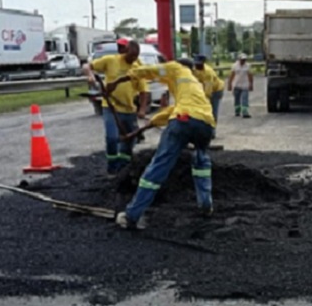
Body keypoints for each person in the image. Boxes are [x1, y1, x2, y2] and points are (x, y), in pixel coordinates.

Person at [105, 59, 216, 230]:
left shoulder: (177, 68)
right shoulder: (194, 86)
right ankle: (206, 205)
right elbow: (170, 113)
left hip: (183, 121)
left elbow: (148, 71)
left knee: (159, 166)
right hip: (206, 124)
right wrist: (137, 132)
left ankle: (131, 216)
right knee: (201, 162)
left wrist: (116, 82)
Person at [83, 39, 149, 175]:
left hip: (129, 109)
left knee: (130, 139)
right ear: (125, 51)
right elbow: (87, 66)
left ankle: (123, 166)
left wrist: (142, 109)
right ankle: (112, 167)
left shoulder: (138, 66)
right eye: (131, 56)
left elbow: (144, 91)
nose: (133, 60)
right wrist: (90, 76)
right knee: (112, 138)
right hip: (111, 107)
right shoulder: (111, 61)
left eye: (135, 57)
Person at [192, 54, 225, 137]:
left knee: (212, 111)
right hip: (203, 90)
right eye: (195, 63)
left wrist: (203, 101)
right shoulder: (194, 70)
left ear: (203, 63)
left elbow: (208, 91)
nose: (196, 65)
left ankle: (212, 131)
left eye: (198, 63)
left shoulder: (208, 72)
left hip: (216, 91)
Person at [227, 53, 253, 118]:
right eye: (242, 59)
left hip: (245, 85)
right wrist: (229, 84)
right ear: (239, 59)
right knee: (237, 99)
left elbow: (250, 75)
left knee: (245, 98)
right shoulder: (235, 66)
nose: (243, 61)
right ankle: (237, 111)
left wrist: (251, 84)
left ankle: (245, 112)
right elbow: (231, 75)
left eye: (244, 60)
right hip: (236, 85)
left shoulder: (247, 66)